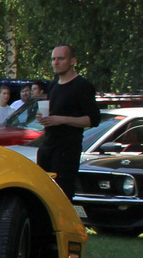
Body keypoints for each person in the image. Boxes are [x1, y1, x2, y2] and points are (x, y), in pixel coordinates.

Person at [39, 46, 100, 200]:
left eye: (61, 58)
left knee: (62, 194)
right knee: (43, 192)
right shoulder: (53, 85)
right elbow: (52, 113)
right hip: (48, 146)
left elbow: (93, 119)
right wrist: (43, 118)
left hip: (67, 149)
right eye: (53, 59)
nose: (56, 62)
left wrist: (61, 119)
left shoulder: (82, 86)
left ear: (72, 61)